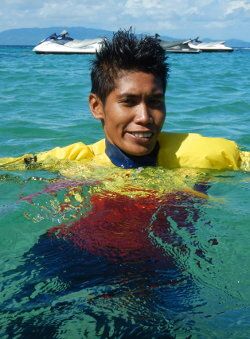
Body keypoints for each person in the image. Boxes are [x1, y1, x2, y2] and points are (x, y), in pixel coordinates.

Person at [0, 29, 249, 172]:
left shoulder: (211, 154)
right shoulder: (73, 162)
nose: (144, 117)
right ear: (96, 106)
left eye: (155, 102)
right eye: (128, 102)